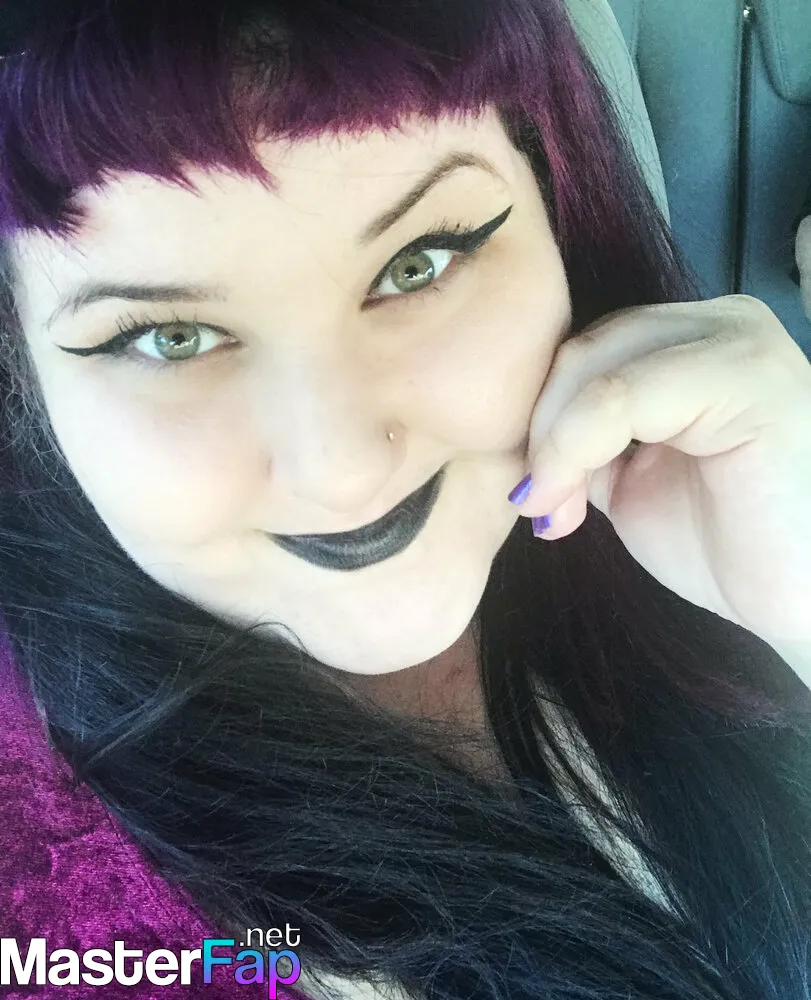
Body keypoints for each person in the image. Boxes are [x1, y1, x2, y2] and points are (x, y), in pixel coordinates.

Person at [0, 1, 810, 998]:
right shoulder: (51, 893)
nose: (339, 469)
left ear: (559, 217)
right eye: (168, 339)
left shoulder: (713, 523)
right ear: (24, 382)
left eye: (418, 263)